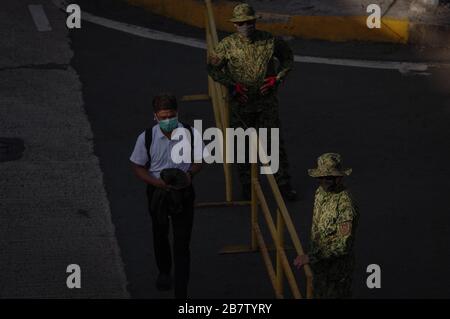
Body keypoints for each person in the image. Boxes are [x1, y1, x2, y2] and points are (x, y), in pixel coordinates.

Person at [207, 3, 297, 201]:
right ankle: (247, 187)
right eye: (241, 23)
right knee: (241, 146)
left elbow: (288, 58)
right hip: (241, 105)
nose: (246, 26)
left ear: (254, 21)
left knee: (273, 144)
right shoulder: (226, 45)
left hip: (266, 104)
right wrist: (231, 85)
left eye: (249, 22)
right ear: (235, 25)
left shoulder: (270, 41)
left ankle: (283, 186)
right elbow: (212, 68)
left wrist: (277, 78)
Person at [129, 93, 205, 299]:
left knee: (182, 242)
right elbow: (137, 166)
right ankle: (164, 270)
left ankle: (182, 293)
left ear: (177, 113)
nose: (167, 120)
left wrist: (189, 175)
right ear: (155, 116)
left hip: (183, 192)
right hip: (158, 192)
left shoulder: (191, 134)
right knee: (159, 234)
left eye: (171, 115)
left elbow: (200, 159)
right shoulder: (146, 137)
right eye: (163, 117)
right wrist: (156, 183)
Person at [294, 153, 359, 298]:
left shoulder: (345, 205)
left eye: (329, 177)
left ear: (339, 177)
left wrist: (311, 257)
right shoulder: (320, 193)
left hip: (335, 275)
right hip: (321, 270)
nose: (324, 181)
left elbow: (343, 245)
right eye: (320, 177)